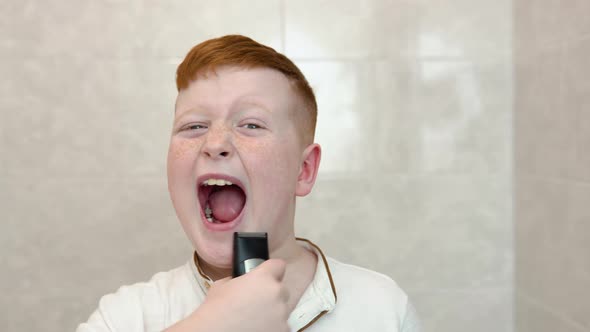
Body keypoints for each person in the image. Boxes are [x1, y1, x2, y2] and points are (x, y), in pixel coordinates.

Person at [77, 34, 420, 332]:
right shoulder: (126, 317)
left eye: (251, 125)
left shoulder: (382, 309)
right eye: (193, 126)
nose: (214, 143)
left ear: (303, 170)